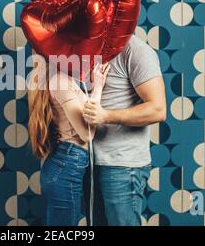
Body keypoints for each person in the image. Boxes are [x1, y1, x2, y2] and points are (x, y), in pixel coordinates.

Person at [83, 34, 167, 226]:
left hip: (122, 165)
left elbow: (158, 109)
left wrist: (106, 116)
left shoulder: (136, 51)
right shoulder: (88, 48)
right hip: (91, 163)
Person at [28, 60, 110, 226]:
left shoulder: (57, 78)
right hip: (66, 163)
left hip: (62, 162)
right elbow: (87, 133)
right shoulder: (61, 80)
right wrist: (98, 89)